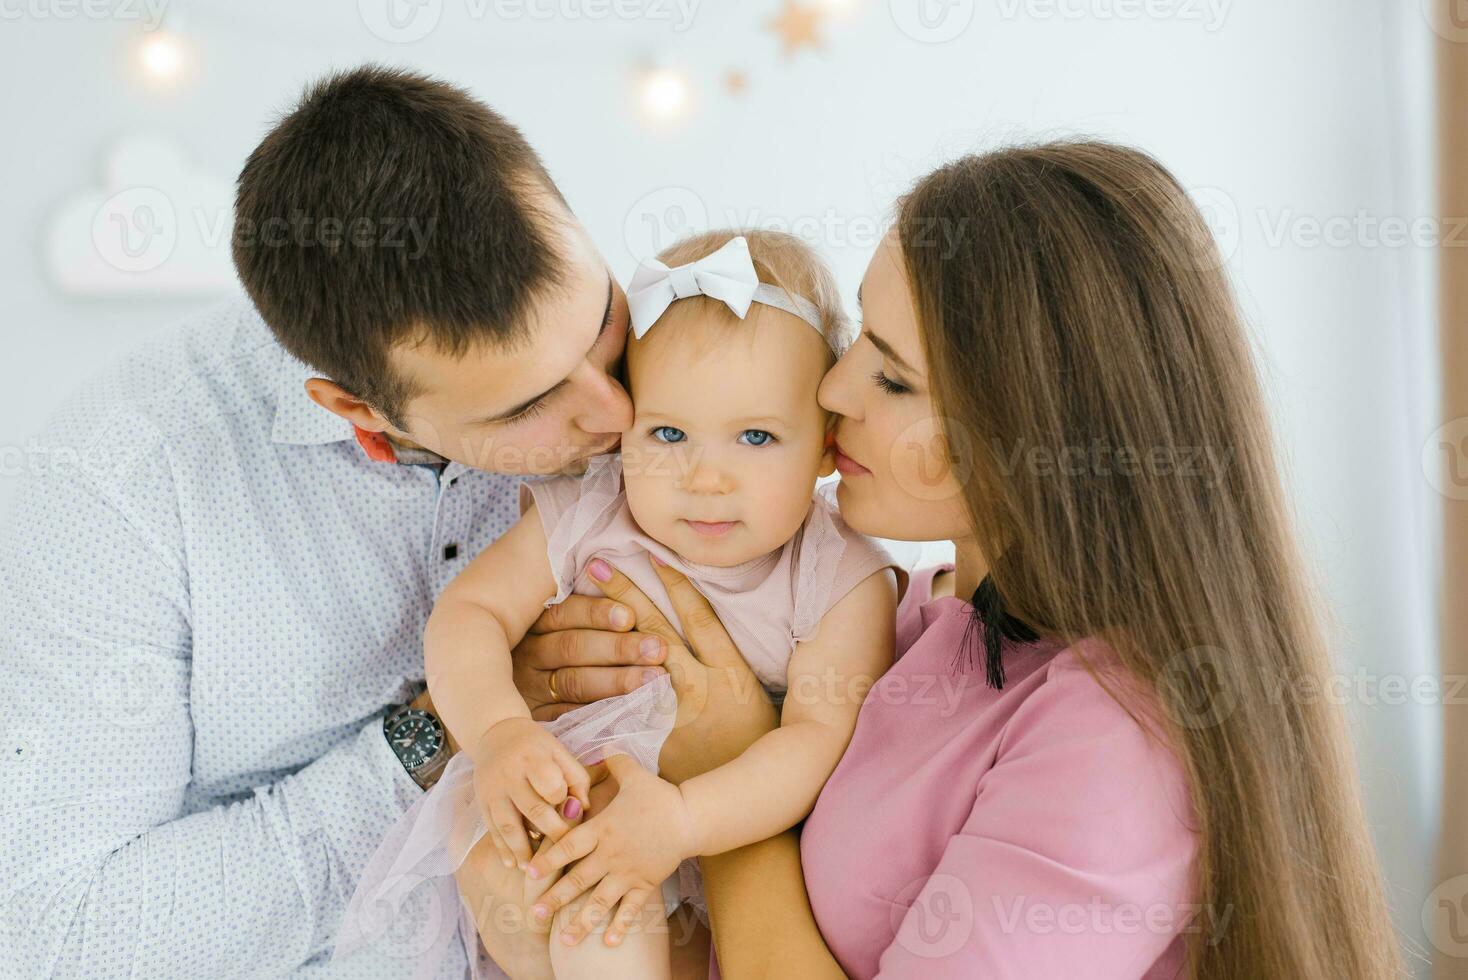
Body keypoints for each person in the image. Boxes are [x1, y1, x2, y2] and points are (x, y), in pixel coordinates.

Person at [475, 141, 1406, 979]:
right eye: (852, 348)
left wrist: (725, 795)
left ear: (1027, 433)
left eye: (889, 374)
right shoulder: (909, 615)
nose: (831, 391)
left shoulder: (1115, 743)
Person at [0, 65, 683, 978]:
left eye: (600, 322)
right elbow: (63, 938)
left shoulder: (687, 354)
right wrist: (448, 728)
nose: (614, 416)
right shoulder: (112, 489)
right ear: (357, 409)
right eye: (525, 409)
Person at [342, 229, 901, 978]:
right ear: (622, 429)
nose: (706, 478)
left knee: (638, 926)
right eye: (669, 433)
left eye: (757, 437)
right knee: (575, 903)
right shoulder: (590, 507)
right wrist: (503, 732)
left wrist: (683, 820)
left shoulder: (842, 575)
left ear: (827, 447)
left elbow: (812, 743)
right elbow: (470, 615)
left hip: (720, 823)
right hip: (563, 790)